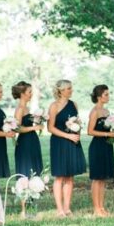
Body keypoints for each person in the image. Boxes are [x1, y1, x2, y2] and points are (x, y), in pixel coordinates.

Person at [48, 80, 86, 218]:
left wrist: (78, 135)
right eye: (69, 88)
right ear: (61, 91)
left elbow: (78, 122)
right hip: (59, 143)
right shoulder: (54, 106)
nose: (71, 90)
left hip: (73, 142)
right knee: (60, 176)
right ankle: (59, 210)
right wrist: (67, 136)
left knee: (70, 176)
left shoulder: (74, 104)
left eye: (71, 88)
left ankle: (67, 208)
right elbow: (50, 128)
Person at [87, 85, 114, 217]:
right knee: (97, 178)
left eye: (108, 94)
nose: (108, 96)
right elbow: (90, 131)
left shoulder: (106, 111)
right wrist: (108, 135)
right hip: (97, 146)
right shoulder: (94, 111)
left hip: (107, 146)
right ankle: (96, 209)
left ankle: (102, 207)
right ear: (99, 97)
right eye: (106, 94)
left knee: (103, 178)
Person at [12, 81, 44, 177]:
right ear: (22, 94)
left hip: (32, 140)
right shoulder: (20, 109)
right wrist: (35, 127)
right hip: (25, 142)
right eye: (29, 92)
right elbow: (17, 128)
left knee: (35, 166)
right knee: (28, 168)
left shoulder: (26, 108)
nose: (31, 94)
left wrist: (38, 119)